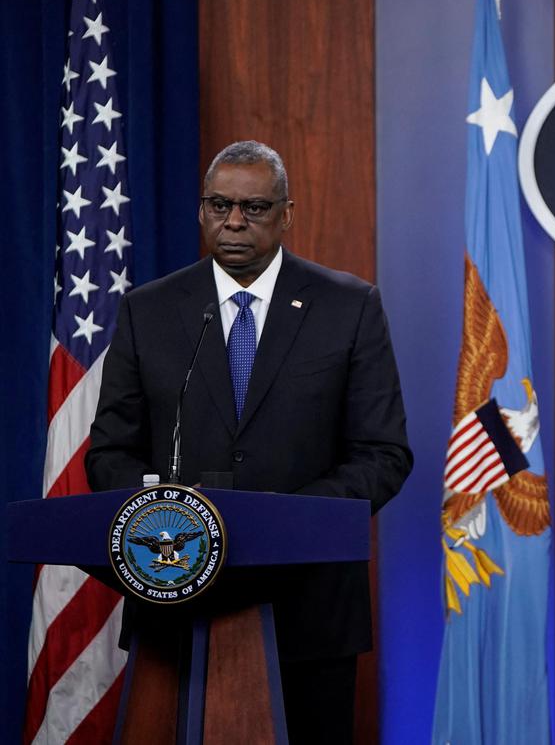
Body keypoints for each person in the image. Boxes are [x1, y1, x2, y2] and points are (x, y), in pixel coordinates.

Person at [86, 140, 413, 742]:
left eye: (255, 208)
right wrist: (167, 524)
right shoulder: (148, 310)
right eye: (220, 205)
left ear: (286, 214)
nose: (234, 222)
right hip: (174, 599)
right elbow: (110, 452)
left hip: (309, 612)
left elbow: (383, 453)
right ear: (201, 210)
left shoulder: (349, 306)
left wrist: (285, 522)